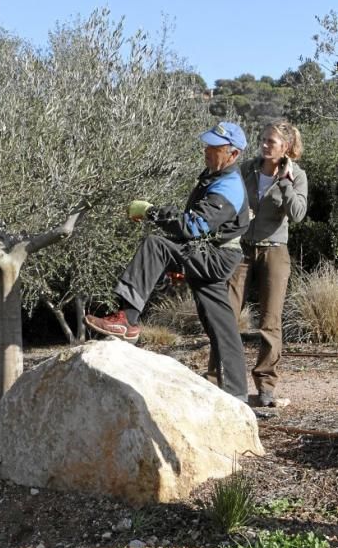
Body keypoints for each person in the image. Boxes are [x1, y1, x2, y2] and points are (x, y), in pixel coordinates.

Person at [85, 121, 251, 402]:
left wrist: (152, 213)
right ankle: (238, 396)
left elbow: (194, 226)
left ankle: (128, 319)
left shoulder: (228, 186)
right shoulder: (214, 176)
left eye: (214, 148)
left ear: (233, 154)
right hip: (214, 254)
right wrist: (179, 262)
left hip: (218, 256)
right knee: (222, 326)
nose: (207, 151)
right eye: (207, 145)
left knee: (156, 245)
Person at [213, 120, 307, 408]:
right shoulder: (247, 169)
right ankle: (216, 380)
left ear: (286, 147)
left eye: (272, 142)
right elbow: (229, 199)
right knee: (224, 316)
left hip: (275, 251)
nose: (265, 145)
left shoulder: (297, 175)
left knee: (270, 322)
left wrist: (286, 184)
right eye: (263, 139)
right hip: (240, 249)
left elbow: (299, 213)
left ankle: (265, 386)